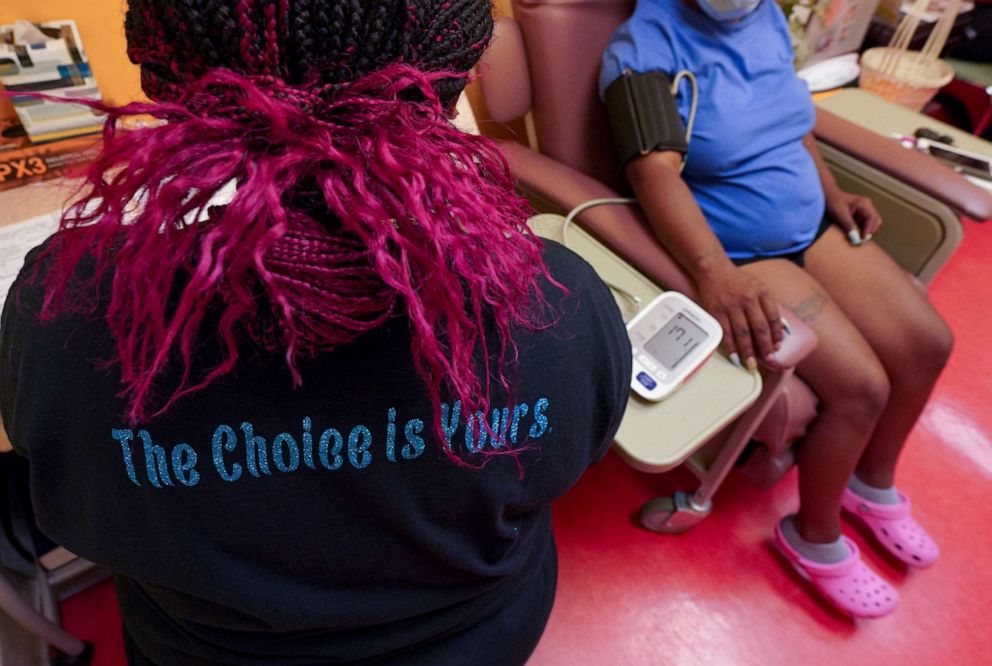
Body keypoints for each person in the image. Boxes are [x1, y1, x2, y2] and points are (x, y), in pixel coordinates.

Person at [0, 1, 631, 664]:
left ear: (161, 79)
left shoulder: (65, 318)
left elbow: (62, 494)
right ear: (463, 71)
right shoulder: (557, 304)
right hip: (479, 642)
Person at [601, 0, 953, 619]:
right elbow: (653, 171)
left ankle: (868, 485)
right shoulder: (644, 49)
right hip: (738, 251)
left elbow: (792, 120)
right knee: (862, 387)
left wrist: (832, 191)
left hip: (809, 222)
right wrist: (714, 272)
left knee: (927, 341)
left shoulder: (762, 17)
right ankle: (813, 541)